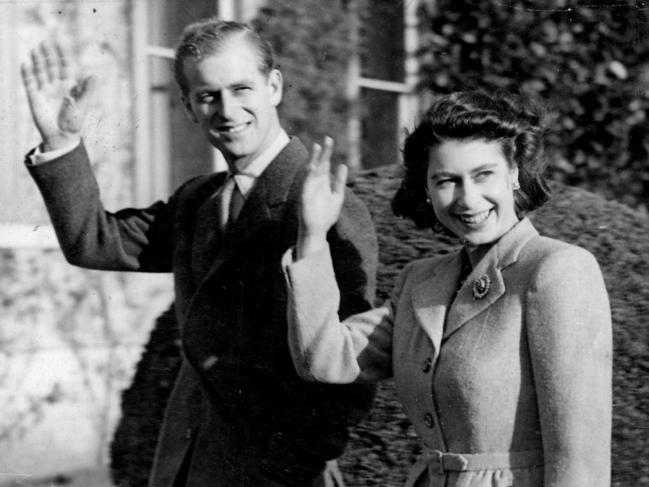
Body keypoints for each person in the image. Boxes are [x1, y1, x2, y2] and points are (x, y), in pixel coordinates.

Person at [21, 18, 378, 487]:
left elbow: (347, 369)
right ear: (189, 107)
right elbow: (96, 241)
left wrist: (287, 468)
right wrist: (61, 142)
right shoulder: (199, 201)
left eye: (242, 88)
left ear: (274, 86)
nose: (227, 110)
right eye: (208, 95)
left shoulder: (323, 201)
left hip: (282, 474)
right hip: (192, 462)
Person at [284, 90, 612, 487]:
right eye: (446, 181)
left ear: (514, 173)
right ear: (426, 188)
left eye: (483, 175)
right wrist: (312, 236)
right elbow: (323, 359)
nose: (467, 198)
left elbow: (581, 462)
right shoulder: (421, 281)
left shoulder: (556, 270)